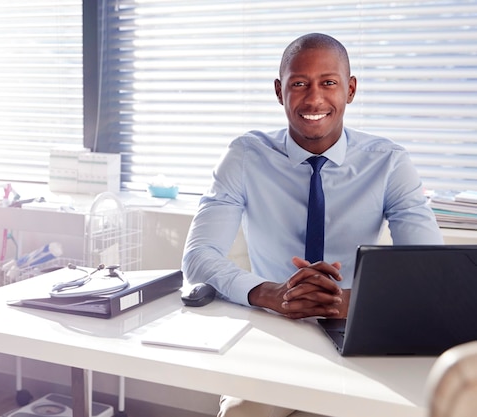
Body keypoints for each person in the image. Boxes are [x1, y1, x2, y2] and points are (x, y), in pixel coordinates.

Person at [181, 33, 444, 417]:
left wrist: (349, 301)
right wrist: (268, 293)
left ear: (350, 90)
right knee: (240, 412)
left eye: (329, 83)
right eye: (299, 84)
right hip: (272, 327)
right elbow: (198, 256)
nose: (314, 99)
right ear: (279, 91)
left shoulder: (388, 163)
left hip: (359, 326)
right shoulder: (244, 156)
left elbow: (430, 270)